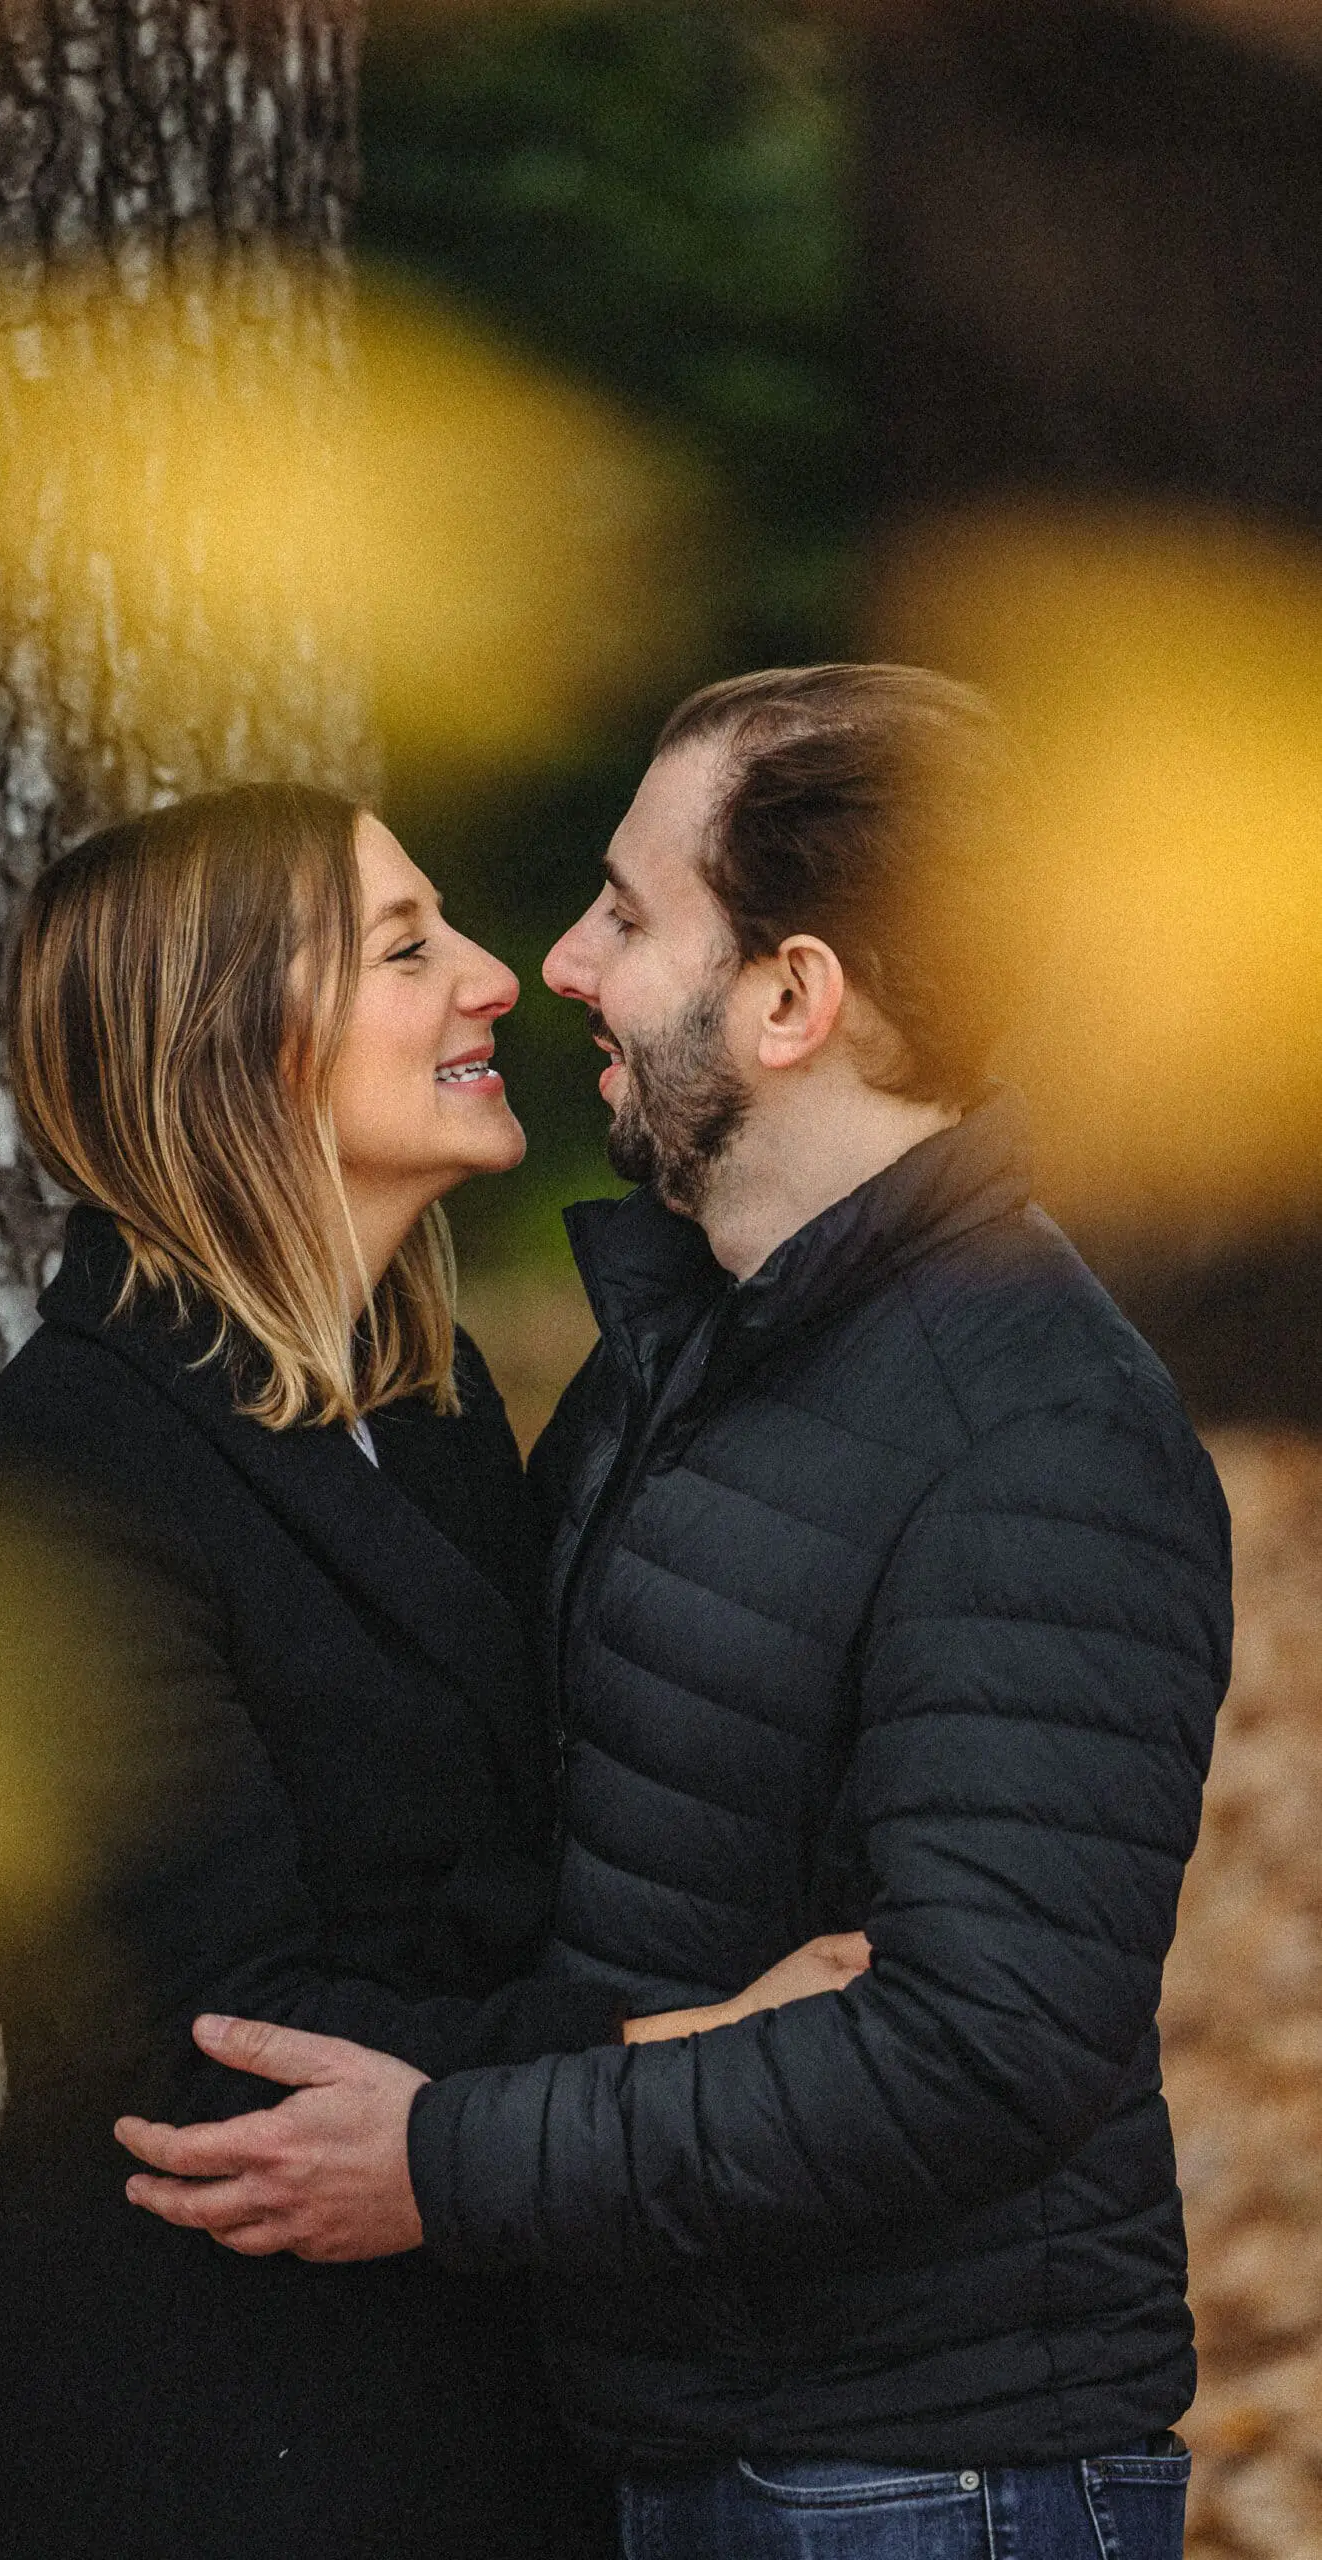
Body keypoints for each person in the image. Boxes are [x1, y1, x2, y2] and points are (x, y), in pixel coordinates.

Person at [116, 670, 1235, 2560]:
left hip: (912, 2476)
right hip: (680, 2431)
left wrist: (444, 2160)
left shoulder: (1036, 1432)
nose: (556, 965)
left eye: (630, 917)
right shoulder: (700, 1340)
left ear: (793, 999)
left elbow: (981, 2051)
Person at [0, 782, 859, 2560]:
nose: (495, 977)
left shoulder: (425, 1405)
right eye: (407, 950)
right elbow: (208, 2049)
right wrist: (686, 2053)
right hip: (213, 2414)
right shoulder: (51, 1488)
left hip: (478, 2368)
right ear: (230, 1051)